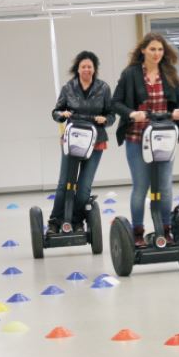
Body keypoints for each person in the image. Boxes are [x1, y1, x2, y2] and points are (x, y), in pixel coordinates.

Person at [112, 33, 179, 247]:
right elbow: (115, 102)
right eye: (152, 49)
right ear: (143, 50)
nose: (157, 54)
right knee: (141, 186)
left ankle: (165, 230)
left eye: (160, 50)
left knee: (165, 186)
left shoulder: (170, 73)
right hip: (137, 137)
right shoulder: (131, 74)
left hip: (164, 136)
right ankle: (137, 232)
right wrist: (132, 114)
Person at [49, 51, 115, 234]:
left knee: (84, 186)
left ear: (94, 69)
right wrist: (61, 115)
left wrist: (106, 120)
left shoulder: (103, 88)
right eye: (83, 66)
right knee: (64, 183)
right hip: (73, 140)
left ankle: (78, 221)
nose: (87, 69)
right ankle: (55, 220)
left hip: (95, 141)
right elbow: (56, 112)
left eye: (90, 67)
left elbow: (111, 114)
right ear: (77, 69)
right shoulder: (68, 88)